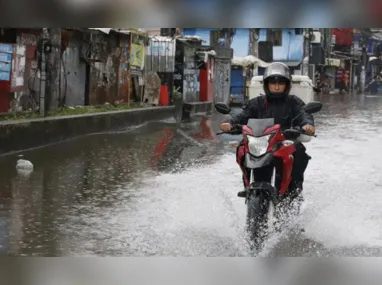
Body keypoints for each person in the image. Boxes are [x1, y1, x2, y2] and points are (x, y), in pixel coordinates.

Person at [220, 62, 315, 197]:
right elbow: (242, 116)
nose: (276, 87)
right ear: (266, 84)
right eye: (273, 83)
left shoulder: (294, 102)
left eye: (280, 83)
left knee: (299, 155)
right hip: (262, 143)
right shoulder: (256, 103)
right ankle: (248, 185)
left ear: (287, 85)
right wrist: (229, 123)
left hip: (284, 142)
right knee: (242, 148)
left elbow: (304, 114)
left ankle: (293, 192)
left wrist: (307, 125)